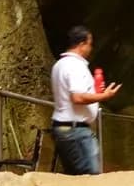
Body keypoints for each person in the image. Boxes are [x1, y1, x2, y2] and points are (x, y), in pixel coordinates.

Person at [49, 25, 121, 175]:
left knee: (75, 175)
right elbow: (78, 97)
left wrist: (94, 92)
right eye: (89, 43)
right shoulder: (75, 66)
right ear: (81, 44)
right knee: (90, 175)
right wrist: (104, 96)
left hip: (64, 127)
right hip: (75, 130)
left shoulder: (59, 64)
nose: (91, 48)